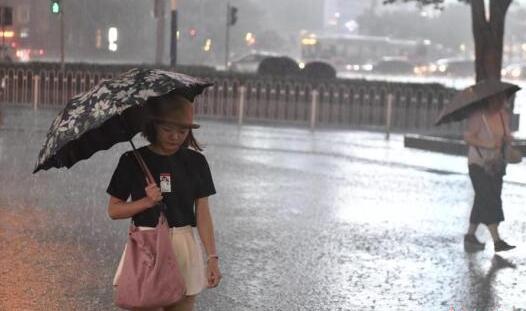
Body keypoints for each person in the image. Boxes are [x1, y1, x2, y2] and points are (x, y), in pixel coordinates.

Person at [106, 91, 222, 310]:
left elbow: (203, 213)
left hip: (184, 244)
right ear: (153, 126)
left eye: (182, 130)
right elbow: (113, 210)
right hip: (146, 245)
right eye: (167, 129)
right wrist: (145, 202)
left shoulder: (196, 162)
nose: (175, 137)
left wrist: (212, 257)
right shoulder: (131, 160)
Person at [463, 93, 516, 252]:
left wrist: (508, 138)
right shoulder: (478, 116)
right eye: (497, 100)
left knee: (482, 199)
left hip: (495, 165)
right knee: (488, 198)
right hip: (478, 164)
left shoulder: (502, 115)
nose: (501, 103)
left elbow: (505, 134)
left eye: (502, 100)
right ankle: (497, 241)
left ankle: (470, 236)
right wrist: (487, 144)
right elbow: (468, 137)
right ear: (488, 100)